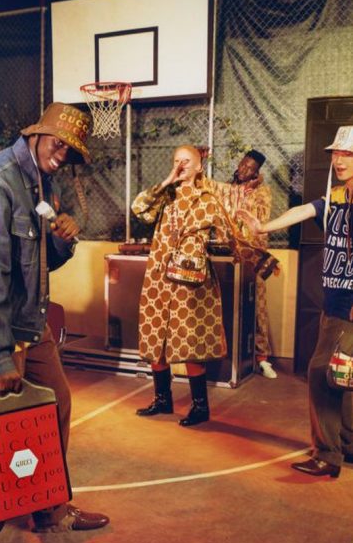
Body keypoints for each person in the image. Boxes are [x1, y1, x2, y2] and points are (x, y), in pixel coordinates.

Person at [0, 102, 109, 543]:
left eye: (71, 151)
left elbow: (36, 262)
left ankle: (48, 509)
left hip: (25, 318)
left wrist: (62, 241)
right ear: (36, 134)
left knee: (55, 403)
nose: (63, 155)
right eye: (59, 144)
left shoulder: (37, 179)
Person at [238, 125, 353, 478]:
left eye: (348, 154)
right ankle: (346, 445)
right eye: (336, 153)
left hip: (348, 308)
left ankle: (328, 455)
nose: (339, 160)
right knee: (343, 375)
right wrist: (263, 228)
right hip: (334, 302)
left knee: (322, 373)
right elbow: (304, 211)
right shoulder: (337, 197)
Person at [132, 145, 233, 427]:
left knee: (189, 341)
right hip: (159, 277)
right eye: (176, 161)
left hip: (191, 279)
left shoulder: (208, 198)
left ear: (199, 166)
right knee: (156, 338)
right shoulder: (165, 196)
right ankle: (162, 400)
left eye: (186, 161)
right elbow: (139, 209)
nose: (180, 165)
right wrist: (167, 180)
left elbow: (227, 234)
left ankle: (200, 407)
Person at [220, 149, 277, 379]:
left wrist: (248, 192)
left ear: (256, 172)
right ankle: (226, 355)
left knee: (258, 307)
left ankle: (262, 358)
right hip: (229, 255)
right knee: (227, 304)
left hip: (252, 256)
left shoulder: (263, 192)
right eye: (242, 164)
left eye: (250, 168)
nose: (243, 170)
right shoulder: (228, 187)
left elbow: (259, 220)